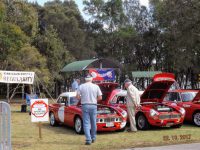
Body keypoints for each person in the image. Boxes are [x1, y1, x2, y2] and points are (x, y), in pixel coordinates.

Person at [76, 74, 102, 145]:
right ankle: (93, 138)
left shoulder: (81, 86)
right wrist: (94, 100)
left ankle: (88, 139)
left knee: (86, 123)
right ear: (92, 79)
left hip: (85, 105)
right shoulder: (96, 86)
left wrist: (83, 99)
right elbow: (100, 98)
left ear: (85, 79)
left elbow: (77, 97)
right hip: (93, 105)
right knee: (93, 122)